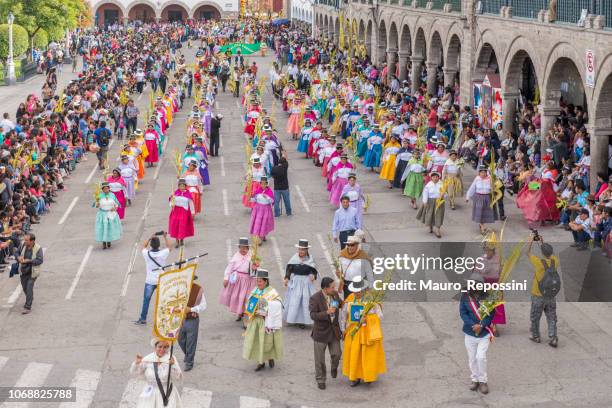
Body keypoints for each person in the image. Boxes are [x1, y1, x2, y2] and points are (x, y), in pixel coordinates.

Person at [340, 276, 386, 387]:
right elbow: (343, 317)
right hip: (354, 332)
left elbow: (380, 316)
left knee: (367, 355)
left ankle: (368, 376)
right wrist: (343, 330)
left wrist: (369, 317)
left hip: (368, 332)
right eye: (355, 291)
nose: (357, 293)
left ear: (364, 289)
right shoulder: (349, 300)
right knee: (355, 354)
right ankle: (354, 377)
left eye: (359, 291)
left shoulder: (372, 301)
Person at [243, 269, 284, 371]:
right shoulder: (255, 290)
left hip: (267, 322)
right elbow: (249, 302)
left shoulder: (271, 292)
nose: (258, 283)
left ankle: (269, 357)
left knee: (267, 342)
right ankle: (260, 362)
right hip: (256, 321)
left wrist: (267, 308)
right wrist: (250, 309)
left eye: (260, 281)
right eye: (257, 281)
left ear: (266, 281)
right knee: (258, 342)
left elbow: (279, 304)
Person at [460, 274, 494, 394]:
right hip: (470, 333)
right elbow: (463, 313)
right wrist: (473, 325)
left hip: (484, 334)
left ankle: (483, 381)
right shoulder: (465, 296)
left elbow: (491, 315)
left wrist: (482, 325)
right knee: (472, 358)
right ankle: (475, 379)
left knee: (481, 357)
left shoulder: (488, 297)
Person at [309, 276, 342, 390]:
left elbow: (342, 304)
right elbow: (313, 315)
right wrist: (326, 312)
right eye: (332, 287)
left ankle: (334, 367)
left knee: (337, 354)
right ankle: (321, 379)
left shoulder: (335, 295)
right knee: (320, 360)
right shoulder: (315, 298)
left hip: (334, 331)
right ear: (325, 288)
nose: (334, 289)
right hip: (321, 333)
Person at [527, 233, 559, 347]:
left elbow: (528, 253)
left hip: (538, 294)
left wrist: (531, 240)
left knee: (535, 316)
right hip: (551, 295)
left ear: (542, 253)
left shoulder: (539, 262)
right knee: (551, 316)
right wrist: (542, 241)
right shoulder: (555, 261)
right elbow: (548, 252)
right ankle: (553, 337)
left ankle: (535, 336)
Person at [130, 338, 183, 407]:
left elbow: (177, 377)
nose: (162, 350)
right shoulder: (148, 359)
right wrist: (137, 363)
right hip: (150, 393)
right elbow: (135, 372)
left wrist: (173, 365)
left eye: (165, 347)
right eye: (160, 347)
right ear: (155, 347)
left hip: (166, 393)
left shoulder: (171, 359)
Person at [135, 232, 172, 325]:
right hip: (161, 280)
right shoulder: (163, 253)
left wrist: (150, 237)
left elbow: (143, 247)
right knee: (164, 300)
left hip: (150, 281)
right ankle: (165, 319)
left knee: (146, 300)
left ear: (151, 245)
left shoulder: (146, 254)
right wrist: (165, 237)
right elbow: (169, 247)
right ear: (159, 245)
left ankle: (143, 319)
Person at [220, 237, 256, 322]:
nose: (243, 249)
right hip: (238, 281)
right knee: (239, 297)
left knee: (246, 298)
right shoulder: (236, 256)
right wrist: (226, 278)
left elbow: (257, 268)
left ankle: (245, 316)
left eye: (245, 248)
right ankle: (240, 313)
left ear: (248, 248)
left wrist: (256, 268)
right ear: (239, 247)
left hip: (249, 280)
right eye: (241, 247)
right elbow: (229, 268)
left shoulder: (252, 256)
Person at [284, 239, 318, 328]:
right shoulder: (294, 258)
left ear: (307, 250)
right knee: (294, 300)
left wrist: (313, 275)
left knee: (305, 301)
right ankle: (293, 319)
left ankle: (303, 321)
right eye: (300, 249)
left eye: (303, 249)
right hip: (296, 282)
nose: (301, 251)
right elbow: (289, 269)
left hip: (306, 283)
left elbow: (313, 270)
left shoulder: (310, 259)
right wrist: (287, 278)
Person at [178, 275, 207, 371]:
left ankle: (189, 362)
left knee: (191, 342)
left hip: (192, 320)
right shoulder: (178, 288)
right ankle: (188, 355)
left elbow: (204, 305)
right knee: (180, 340)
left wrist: (191, 309)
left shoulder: (198, 290)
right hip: (179, 319)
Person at [466, 165, 498, 234]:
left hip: (487, 198)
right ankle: (482, 228)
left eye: (484, 172)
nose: (483, 174)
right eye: (482, 172)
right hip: (478, 198)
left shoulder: (490, 179)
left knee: (484, 213)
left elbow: (493, 188)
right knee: (479, 212)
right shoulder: (477, 179)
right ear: (479, 173)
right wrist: (468, 196)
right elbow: (472, 188)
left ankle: (482, 225)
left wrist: (493, 187)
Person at [16, 233, 43, 315]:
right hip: (23, 270)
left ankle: (27, 307)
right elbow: (16, 253)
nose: (25, 241)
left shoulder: (38, 248)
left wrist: (29, 261)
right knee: (24, 287)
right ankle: (30, 297)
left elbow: (40, 260)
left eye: (27, 240)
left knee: (29, 287)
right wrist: (18, 257)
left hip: (32, 272)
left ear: (32, 241)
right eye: (25, 240)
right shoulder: (23, 245)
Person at [416, 170, 445, 238]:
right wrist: (425, 201)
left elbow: (445, 192)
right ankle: (430, 227)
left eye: (436, 177)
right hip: (430, 202)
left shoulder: (442, 184)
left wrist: (444, 195)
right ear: (431, 178)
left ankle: (438, 230)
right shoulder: (428, 185)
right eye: (433, 177)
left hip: (439, 202)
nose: (435, 178)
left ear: (439, 177)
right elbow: (425, 193)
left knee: (438, 215)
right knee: (430, 214)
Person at [95, 182, 122, 250]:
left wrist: (115, 208)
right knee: (103, 228)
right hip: (102, 214)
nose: (106, 190)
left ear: (109, 189)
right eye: (104, 189)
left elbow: (116, 204)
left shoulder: (112, 195)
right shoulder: (99, 196)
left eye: (107, 188)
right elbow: (96, 205)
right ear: (102, 189)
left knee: (109, 228)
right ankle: (104, 242)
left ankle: (109, 240)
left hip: (111, 214)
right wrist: (97, 203)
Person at [168, 179, 195, 248]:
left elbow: (191, 204)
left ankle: (182, 240)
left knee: (182, 226)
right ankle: (177, 242)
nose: (182, 187)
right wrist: (171, 203)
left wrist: (193, 212)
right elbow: (171, 202)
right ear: (178, 186)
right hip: (175, 211)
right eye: (180, 186)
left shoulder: (188, 194)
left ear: (185, 186)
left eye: (183, 186)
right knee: (175, 226)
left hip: (184, 212)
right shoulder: (175, 193)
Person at [249, 176, 275, 242]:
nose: (263, 185)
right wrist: (250, 199)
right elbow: (254, 199)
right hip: (258, 210)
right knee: (258, 224)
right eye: (262, 183)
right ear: (260, 184)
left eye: (264, 183)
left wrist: (267, 197)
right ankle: (259, 239)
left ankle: (263, 236)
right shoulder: (258, 191)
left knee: (264, 223)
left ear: (266, 184)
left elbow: (272, 201)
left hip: (266, 209)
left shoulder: (269, 191)